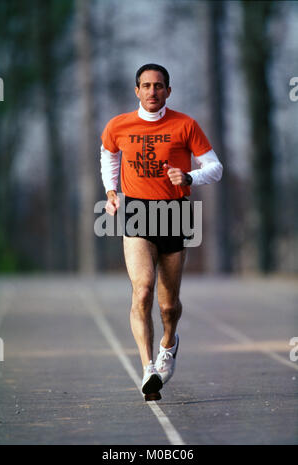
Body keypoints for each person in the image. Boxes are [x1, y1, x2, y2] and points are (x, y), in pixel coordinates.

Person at [100, 63, 223, 400]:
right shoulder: (118, 125)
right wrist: (111, 191)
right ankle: (148, 367)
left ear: (168, 90)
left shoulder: (186, 125)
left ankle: (169, 343)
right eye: (146, 86)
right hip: (137, 211)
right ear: (136, 90)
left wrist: (191, 177)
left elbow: (215, 167)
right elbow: (109, 157)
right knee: (143, 290)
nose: (152, 91)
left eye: (158, 86)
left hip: (175, 212)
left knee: (168, 305)